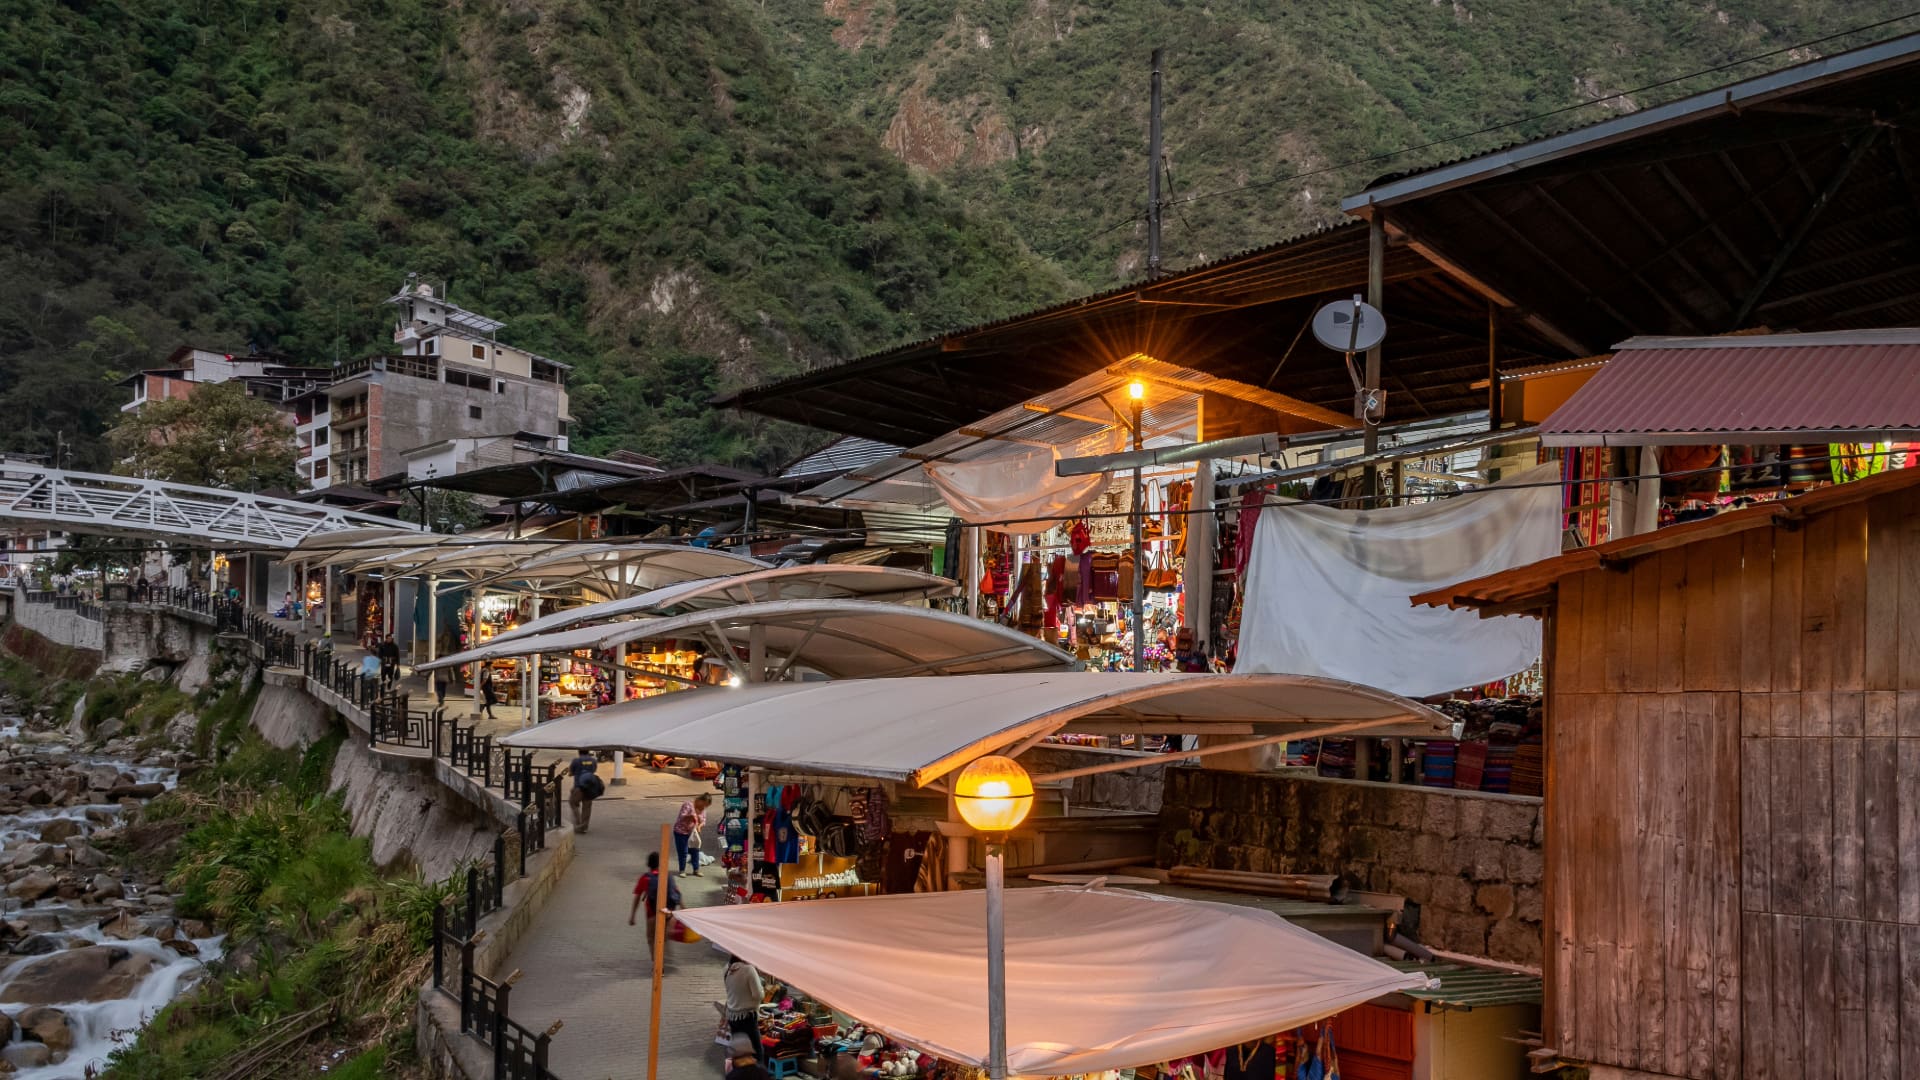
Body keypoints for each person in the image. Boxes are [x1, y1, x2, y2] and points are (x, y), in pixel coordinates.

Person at [628, 851, 682, 971]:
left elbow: (637, 897)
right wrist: (684, 910)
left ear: (648, 864)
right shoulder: (667, 876)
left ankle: (658, 964)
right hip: (669, 912)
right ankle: (663, 957)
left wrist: (632, 916)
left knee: (652, 939)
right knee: (663, 938)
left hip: (653, 913)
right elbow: (677, 893)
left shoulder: (645, 878)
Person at [722, 955, 765, 1059]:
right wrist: (762, 990)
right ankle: (757, 1074)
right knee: (756, 1051)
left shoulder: (726, 968)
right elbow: (758, 995)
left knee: (739, 1051)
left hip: (733, 1016)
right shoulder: (749, 969)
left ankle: (740, 1072)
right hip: (747, 1017)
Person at [674, 793, 711, 877]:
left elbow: (703, 821)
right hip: (681, 832)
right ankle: (682, 870)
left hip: (692, 833)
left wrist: (699, 826)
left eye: (706, 806)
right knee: (683, 851)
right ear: (699, 800)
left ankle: (696, 869)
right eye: (703, 804)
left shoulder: (703, 810)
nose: (703, 807)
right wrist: (690, 817)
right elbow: (681, 816)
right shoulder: (688, 804)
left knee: (695, 851)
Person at [568, 749, 601, 833]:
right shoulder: (593, 761)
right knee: (587, 807)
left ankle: (578, 823)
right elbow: (594, 771)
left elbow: (571, 772)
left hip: (578, 787)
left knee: (573, 803)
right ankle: (584, 826)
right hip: (589, 787)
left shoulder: (576, 761)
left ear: (579, 752)